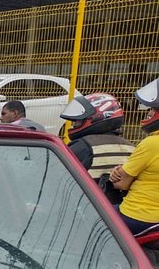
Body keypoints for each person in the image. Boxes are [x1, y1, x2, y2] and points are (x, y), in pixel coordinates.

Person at [111, 78, 159, 234]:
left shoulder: (151, 144)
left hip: (138, 216)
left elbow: (121, 184)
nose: (149, 113)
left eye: (153, 109)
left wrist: (118, 175)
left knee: (92, 215)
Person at [60, 93, 135, 181]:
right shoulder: (132, 148)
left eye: (78, 120)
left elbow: (58, 174)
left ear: (96, 117)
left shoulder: (84, 146)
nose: (74, 124)